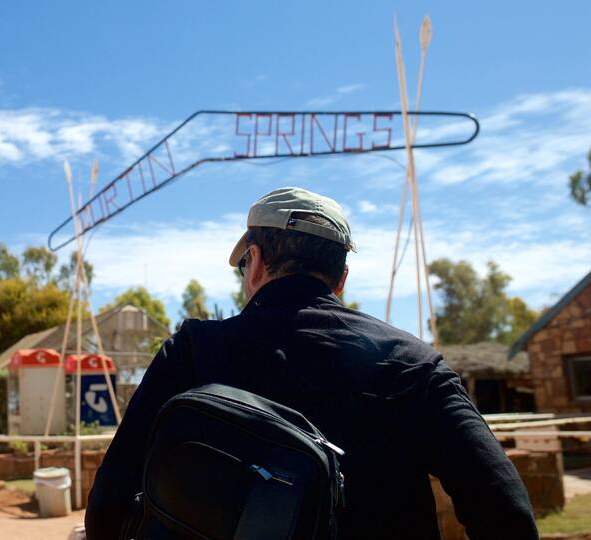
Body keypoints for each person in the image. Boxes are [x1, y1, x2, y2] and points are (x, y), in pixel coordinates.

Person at [85, 187, 537, 539]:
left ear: (256, 262)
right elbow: (508, 515)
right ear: (341, 279)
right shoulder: (413, 365)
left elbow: (107, 505)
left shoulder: (191, 352)